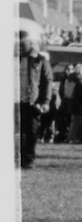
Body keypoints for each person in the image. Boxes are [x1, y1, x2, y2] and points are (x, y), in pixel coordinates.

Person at [16, 33, 52, 168]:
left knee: (31, 132)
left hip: (32, 102)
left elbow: (47, 81)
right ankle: (16, 158)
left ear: (30, 43)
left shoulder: (40, 60)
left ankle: (28, 159)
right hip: (14, 101)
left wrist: (46, 101)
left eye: (22, 43)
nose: (20, 46)